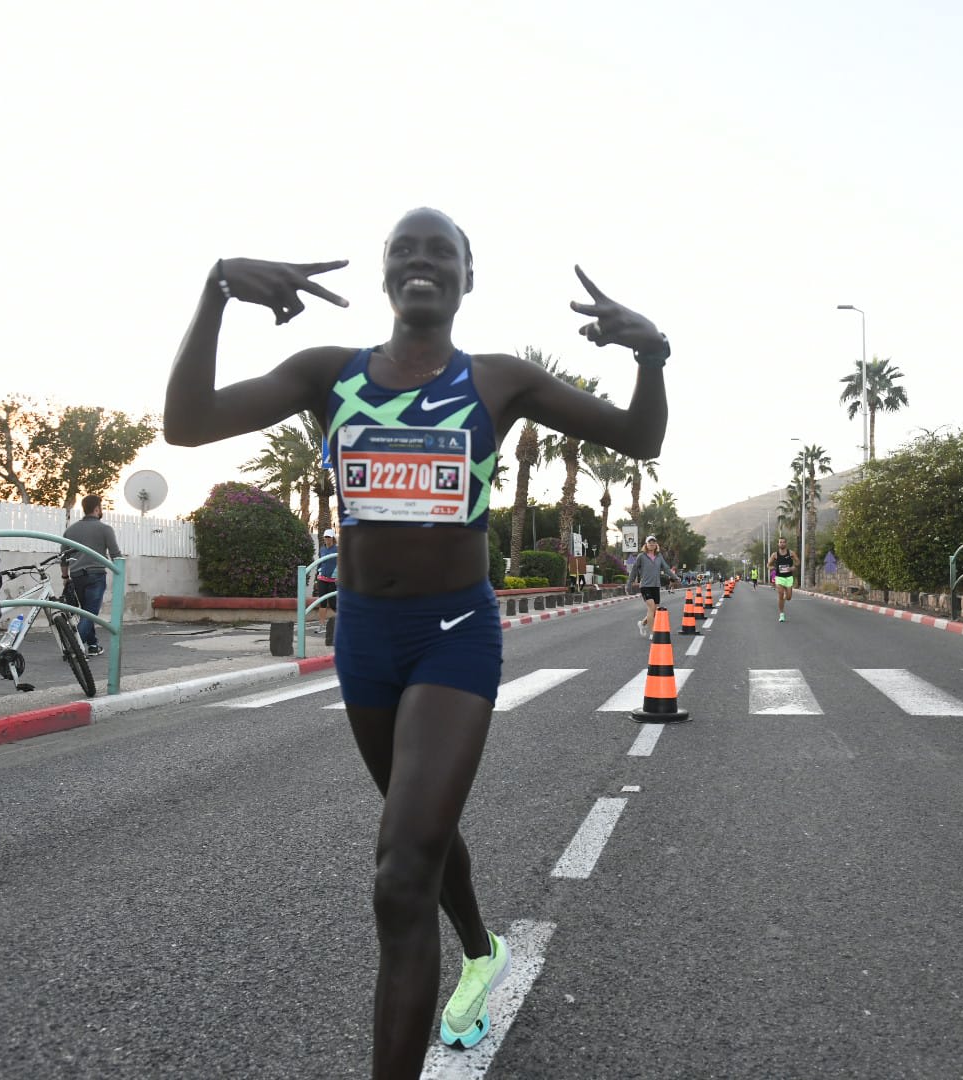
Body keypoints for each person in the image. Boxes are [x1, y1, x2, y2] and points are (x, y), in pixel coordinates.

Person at [162, 208, 669, 1079]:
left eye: (443, 253)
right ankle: (482, 947)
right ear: (386, 276)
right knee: (417, 829)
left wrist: (651, 354)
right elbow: (188, 423)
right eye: (405, 250)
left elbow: (641, 438)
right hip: (364, 636)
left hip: (454, 636)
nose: (422, 262)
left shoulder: (500, 381)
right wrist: (213, 291)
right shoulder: (329, 373)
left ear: (467, 279)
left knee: (400, 872)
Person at [61, 494, 123, 657]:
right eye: (100, 507)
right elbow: (116, 555)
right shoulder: (105, 529)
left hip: (76, 576)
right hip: (96, 575)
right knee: (90, 613)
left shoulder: (70, 530)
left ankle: (93, 645)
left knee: (85, 612)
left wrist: (65, 578)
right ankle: (73, 648)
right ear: (96, 509)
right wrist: (120, 573)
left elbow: (63, 557)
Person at [626, 534, 675, 636]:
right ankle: (652, 633)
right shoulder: (641, 556)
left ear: (656, 544)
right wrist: (629, 584)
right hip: (645, 586)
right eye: (650, 542)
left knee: (655, 610)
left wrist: (675, 577)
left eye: (653, 542)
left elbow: (666, 568)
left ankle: (642, 623)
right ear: (646, 544)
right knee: (651, 607)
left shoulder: (659, 556)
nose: (652, 544)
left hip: (656, 586)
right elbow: (634, 571)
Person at [312, 529, 338, 635]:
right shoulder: (322, 549)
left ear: (333, 538)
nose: (327, 539)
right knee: (322, 602)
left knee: (333, 603)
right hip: (322, 578)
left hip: (333, 579)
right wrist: (316, 577)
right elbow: (320, 562)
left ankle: (344, 622)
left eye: (329, 537)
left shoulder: (337, 549)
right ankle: (321, 626)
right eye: (326, 537)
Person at [768, 536, 797, 621]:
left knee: (788, 597)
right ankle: (781, 615)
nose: (782, 543)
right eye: (780, 542)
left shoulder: (791, 553)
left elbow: (798, 562)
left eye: (783, 542)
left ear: (786, 543)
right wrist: (772, 568)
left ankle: (786, 594)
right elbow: (768, 565)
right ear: (778, 544)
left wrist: (793, 567)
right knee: (780, 594)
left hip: (789, 577)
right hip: (779, 577)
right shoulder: (775, 554)